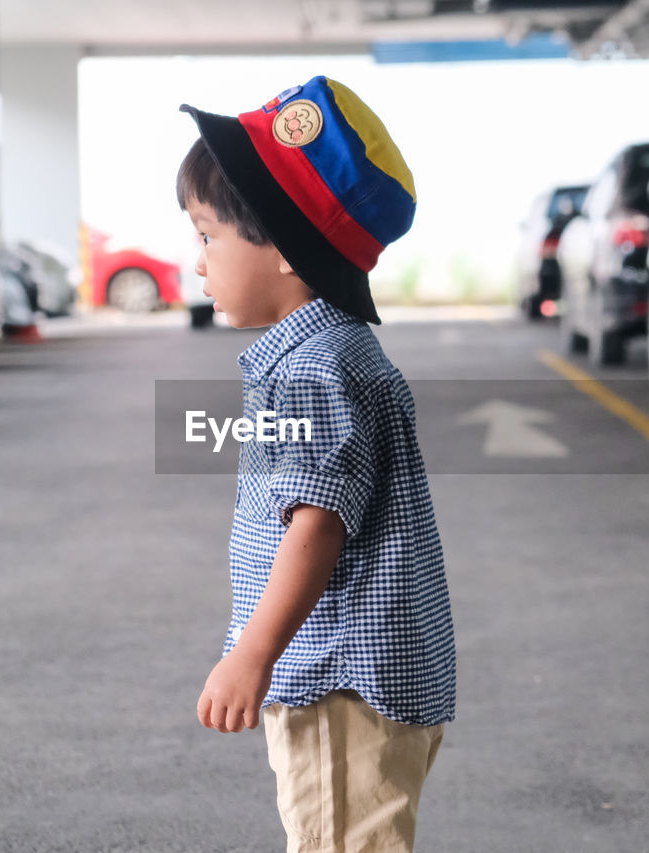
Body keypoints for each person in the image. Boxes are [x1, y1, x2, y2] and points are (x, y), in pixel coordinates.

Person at [176, 76, 456, 852]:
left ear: (285, 252)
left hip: (340, 679)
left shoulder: (313, 368)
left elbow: (315, 526)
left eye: (207, 236)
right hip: (359, 674)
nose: (197, 261)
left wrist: (250, 654)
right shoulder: (331, 353)